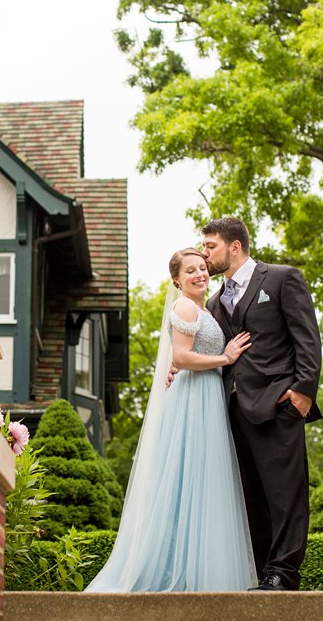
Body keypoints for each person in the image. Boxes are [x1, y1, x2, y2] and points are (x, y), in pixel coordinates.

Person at [85, 248, 256, 592]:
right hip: (193, 398)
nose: (199, 274)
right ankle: (171, 571)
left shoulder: (206, 310)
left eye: (203, 268)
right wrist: (225, 357)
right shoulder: (184, 306)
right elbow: (181, 355)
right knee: (186, 476)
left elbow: (183, 356)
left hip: (207, 395)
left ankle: (196, 569)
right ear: (176, 279)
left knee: (202, 481)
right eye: (190, 270)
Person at [201, 217, 322, 591]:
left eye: (211, 246)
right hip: (233, 410)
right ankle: (263, 572)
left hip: (278, 404)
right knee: (249, 496)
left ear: (234, 246)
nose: (205, 254)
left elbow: (308, 337)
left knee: (285, 493)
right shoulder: (213, 300)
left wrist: (303, 392)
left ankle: (284, 572)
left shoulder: (282, 278)